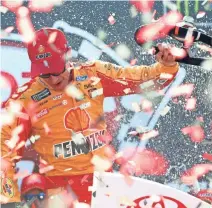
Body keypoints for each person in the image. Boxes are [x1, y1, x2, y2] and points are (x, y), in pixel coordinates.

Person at [1, 27, 179, 207]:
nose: (54, 79)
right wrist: (8, 201)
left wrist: (166, 67)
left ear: (68, 55)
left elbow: (144, 81)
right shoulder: (24, 100)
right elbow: (3, 152)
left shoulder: (93, 74)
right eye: (45, 74)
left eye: (57, 69)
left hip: (105, 187)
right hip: (60, 196)